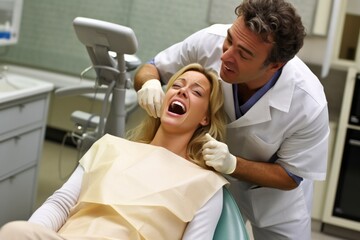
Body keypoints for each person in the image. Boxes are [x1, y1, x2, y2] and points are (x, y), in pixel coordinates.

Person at [134, 0, 329, 239]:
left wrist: (233, 164)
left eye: (244, 54)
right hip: (212, 181)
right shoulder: (209, 42)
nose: (225, 56)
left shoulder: (308, 103)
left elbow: (290, 176)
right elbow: (151, 68)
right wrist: (149, 83)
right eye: (229, 40)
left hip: (275, 203)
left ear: (275, 65)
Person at [0, 63, 229, 240]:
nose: (182, 92)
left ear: (205, 118)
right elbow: (60, 204)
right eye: (176, 86)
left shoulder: (206, 184)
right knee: (14, 231)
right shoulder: (110, 147)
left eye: (196, 92)